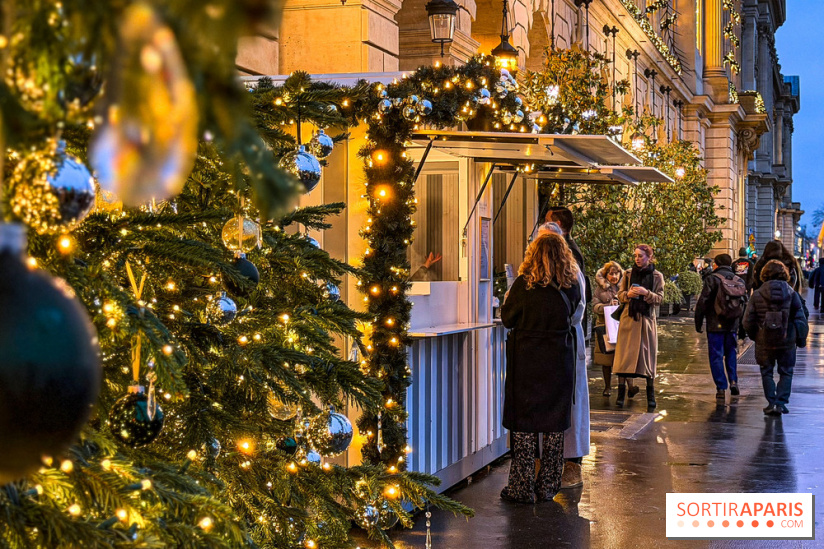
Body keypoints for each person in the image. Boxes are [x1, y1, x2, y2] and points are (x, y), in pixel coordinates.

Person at [500, 233, 581, 503]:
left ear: (533, 255)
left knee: (523, 424)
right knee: (554, 425)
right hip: (559, 359)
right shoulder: (571, 285)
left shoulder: (525, 285)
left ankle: (521, 487)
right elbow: (573, 316)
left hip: (527, 359)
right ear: (564, 255)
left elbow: (508, 319)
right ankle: (547, 485)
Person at [535, 222, 589, 489]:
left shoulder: (572, 273)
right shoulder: (533, 275)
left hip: (565, 342)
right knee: (558, 403)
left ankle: (571, 462)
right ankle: (552, 461)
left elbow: (578, 309)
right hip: (555, 343)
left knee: (570, 403)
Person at [742, 260, 808, 416]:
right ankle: (780, 403)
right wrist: (801, 338)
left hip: (764, 341)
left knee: (766, 372)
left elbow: (747, 320)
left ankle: (771, 402)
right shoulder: (792, 294)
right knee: (786, 372)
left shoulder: (757, 294)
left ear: (765, 274)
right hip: (787, 341)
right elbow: (800, 319)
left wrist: (755, 335)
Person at [613, 244, 665, 411]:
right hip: (629, 320)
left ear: (649, 257)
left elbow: (660, 299)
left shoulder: (657, 276)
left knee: (648, 360)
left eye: (640, 256)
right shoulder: (627, 274)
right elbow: (619, 294)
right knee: (623, 360)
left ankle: (651, 395)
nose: (637, 259)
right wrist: (627, 295)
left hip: (646, 322)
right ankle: (620, 395)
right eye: (635, 255)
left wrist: (646, 293)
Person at [694, 254, 746, 401]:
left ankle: (721, 387)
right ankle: (734, 381)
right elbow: (744, 304)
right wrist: (742, 326)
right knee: (731, 352)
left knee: (716, 355)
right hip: (732, 324)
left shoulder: (712, 279)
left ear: (716, 264)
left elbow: (703, 302)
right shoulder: (738, 280)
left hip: (715, 323)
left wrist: (698, 322)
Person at [593, 261, 636, 399]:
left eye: (616, 273)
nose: (614, 276)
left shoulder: (624, 286)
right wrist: (606, 306)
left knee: (624, 357)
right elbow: (594, 305)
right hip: (604, 326)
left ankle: (629, 386)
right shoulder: (600, 289)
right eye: (611, 273)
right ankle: (607, 387)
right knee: (607, 359)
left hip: (621, 326)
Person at [547, 207, 591, 339]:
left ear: (558, 224)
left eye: (547, 221)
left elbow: (572, 288)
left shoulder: (569, 252)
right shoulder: (569, 248)